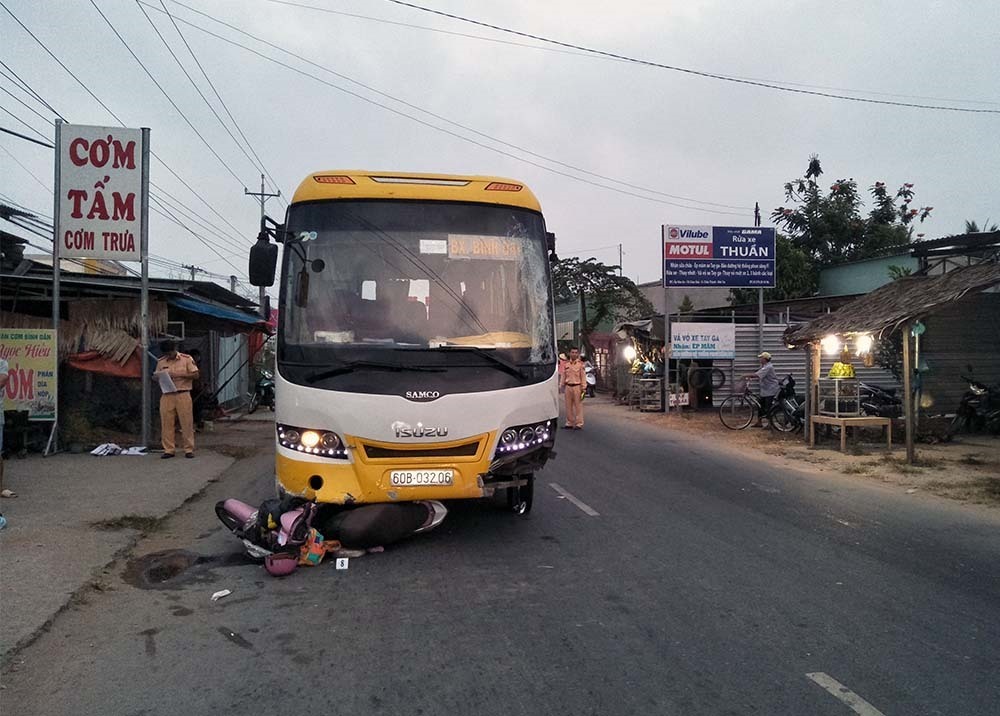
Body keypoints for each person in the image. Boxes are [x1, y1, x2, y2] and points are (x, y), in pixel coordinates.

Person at [154, 339, 199, 458]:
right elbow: (156, 375)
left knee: (186, 422)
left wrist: (179, 375)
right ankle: (169, 449)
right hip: (167, 394)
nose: (169, 356)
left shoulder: (186, 359)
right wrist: (158, 377)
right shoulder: (161, 362)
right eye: (166, 354)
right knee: (166, 422)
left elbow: (196, 375)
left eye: (170, 353)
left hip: (183, 393)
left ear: (174, 349)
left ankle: (188, 449)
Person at [745, 351, 780, 427]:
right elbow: (758, 374)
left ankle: (769, 424)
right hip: (765, 390)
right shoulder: (764, 366)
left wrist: (745, 375)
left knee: (768, 407)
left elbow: (757, 375)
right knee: (760, 405)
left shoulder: (768, 367)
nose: (760, 359)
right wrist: (750, 377)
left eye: (761, 358)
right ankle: (759, 422)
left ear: (765, 359)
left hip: (771, 390)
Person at [560, 346, 586, 430]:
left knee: (578, 406)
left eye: (575, 352)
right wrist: (561, 385)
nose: (574, 354)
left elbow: (583, 377)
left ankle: (579, 423)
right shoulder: (566, 364)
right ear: (569, 353)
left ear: (578, 354)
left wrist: (583, 387)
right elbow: (563, 375)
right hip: (568, 387)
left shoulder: (580, 365)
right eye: (572, 352)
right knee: (568, 406)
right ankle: (569, 423)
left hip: (577, 387)